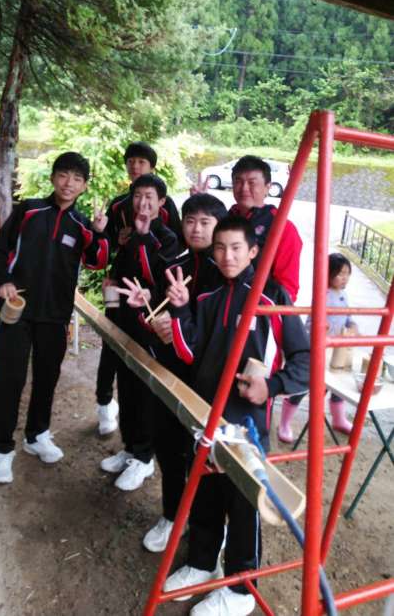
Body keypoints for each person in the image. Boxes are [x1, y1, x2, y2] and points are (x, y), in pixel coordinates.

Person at [163, 216, 310, 616]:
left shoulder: (272, 298)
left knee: (244, 504)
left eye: (236, 248)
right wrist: (180, 308)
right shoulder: (208, 296)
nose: (227, 256)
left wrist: (272, 386)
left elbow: (305, 360)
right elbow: (190, 354)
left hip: (247, 427)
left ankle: (242, 589)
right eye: (220, 248)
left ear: (253, 252)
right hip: (205, 416)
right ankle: (202, 563)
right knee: (204, 491)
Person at [0, 152, 109, 484]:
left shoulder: (82, 225)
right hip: (17, 310)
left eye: (77, 178)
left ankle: (36, 435)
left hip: (55, 315)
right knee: (8, 380)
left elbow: (98, 262)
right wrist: (3, 280)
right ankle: (3, 450)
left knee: (46, 377)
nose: (69, 183)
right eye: (63, 175)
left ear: (84, 186)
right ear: (54, 178)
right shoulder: (29, 210)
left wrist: (99, 233)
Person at [117, 193, 227, 551]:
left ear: (219, 227)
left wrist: (176, 326)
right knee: (167, 446)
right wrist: (148, 312)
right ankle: (172, 515)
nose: (196, 229)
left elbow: (212, 333)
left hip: (205, 382)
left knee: (203, 459)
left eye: (205, 222)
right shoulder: (175, 261)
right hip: (169, 371)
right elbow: (158, 312)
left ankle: (209, 531)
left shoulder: (224, 273)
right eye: (190, 221)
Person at [95, 140, 182, 435]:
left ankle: (143, 446)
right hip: (120, 298)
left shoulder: (165, 222)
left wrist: (144, 237)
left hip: (150, 309)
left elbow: (169, 261)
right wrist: (110, 238)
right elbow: (113, 253)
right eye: (131, 161)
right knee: (112, 351)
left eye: (141, 162)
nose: (135, 166)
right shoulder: (119, 205)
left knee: (142, 369)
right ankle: (107, 409)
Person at [100, 173, 179, 492]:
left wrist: (145, 237)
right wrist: (111, 288)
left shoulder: (168, 239)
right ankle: (130, 447)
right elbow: (121, 273)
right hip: (125, 322)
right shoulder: (129, 233)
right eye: (137, 196)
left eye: (149, 197)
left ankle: (145, 458)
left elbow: (159, 282)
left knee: (145, 391)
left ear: (162, 202)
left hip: (150, 328)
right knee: (126, 385)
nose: (142, 203)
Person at [278, 252, 357, 443]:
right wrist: (320, 328)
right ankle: (284, 423)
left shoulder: (343, 295)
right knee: (305, 386)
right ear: (328, 274)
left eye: (347, 273)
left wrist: (352, 325)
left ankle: (338, 419)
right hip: (318, 350)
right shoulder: (322, 296)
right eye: (340, 273)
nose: (344, 278)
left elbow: (348, 316)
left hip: (336, 350)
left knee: (337, 386)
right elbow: (310, 323)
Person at [229, 155, 302, 302]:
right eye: (238, 181)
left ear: (267, 187)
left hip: (255, 308)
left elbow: (286, 289)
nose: (244, 188)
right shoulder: (225, 219)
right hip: (221, 305)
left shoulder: (283, 228)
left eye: (252, 183)